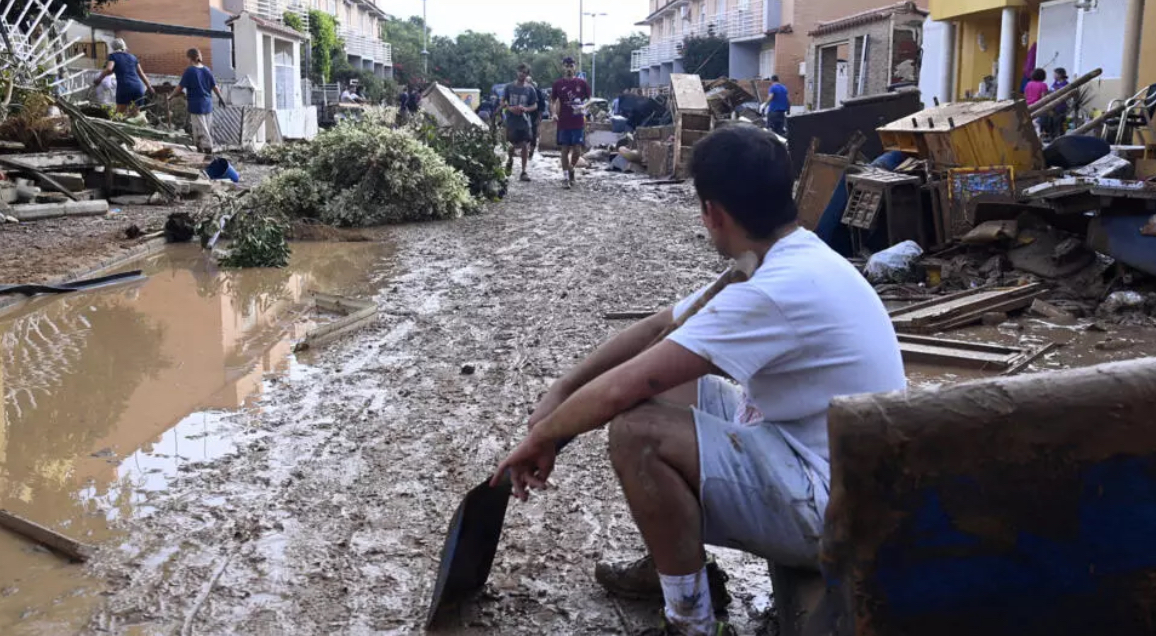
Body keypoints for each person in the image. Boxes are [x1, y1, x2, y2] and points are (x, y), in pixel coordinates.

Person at [491, 126, 906, 636]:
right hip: (825, 463)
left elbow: (628, 386)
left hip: (836, 510)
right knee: (662, 391)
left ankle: (691, 621)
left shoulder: (775, 289)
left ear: (713, 213)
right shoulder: (787, 257)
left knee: (637, 433)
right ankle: (674, 564)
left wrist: (545, 437)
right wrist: (558, 395)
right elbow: (660, 327)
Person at [167, 48, 226, 155]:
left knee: (200, 128)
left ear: (190, 58)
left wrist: (171, 96)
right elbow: (214, 86)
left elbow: (180, 87)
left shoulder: (190, 71)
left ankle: (208, 148)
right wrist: (220, 98)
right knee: (205, 127)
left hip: (196, 104)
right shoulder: (207, 70)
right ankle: (200, 148)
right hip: (208, 104)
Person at [552, 56, 591, 190]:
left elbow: (590, 100)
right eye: (566, 66)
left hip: (578, 120)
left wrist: (584, 107)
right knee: (564, 149)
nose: (569, 68)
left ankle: (571, 167)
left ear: (575, 67)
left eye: (571, 66)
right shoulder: (558, 84)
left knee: (577, 149)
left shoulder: (582, 83)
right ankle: (565, 177)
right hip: (563, 121)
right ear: (563, 67)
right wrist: (554, 113)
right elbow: (552, 101)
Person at [94, 38, 154, 115]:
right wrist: (149, 87)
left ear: (113, 47)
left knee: (119, 114)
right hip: (138, 87)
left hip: (125, 87)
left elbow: (109, 69)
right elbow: (141, 74)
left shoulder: (113, 56)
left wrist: (99, 79)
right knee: (136, 114)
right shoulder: (133, 57)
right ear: (124, 46)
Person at [503, 64, 538, 182]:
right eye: (520, 71)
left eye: (524, 72)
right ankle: (510, 160)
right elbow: (503, 101)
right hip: (511, 120)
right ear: (516, 72)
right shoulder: (509, 87)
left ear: (527, 74)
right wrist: (510, 108)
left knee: (524, 145)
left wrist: (526, 109)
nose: (521, 74)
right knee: (511, 145)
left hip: (524, 121)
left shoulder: (530, 89)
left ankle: (523, 171)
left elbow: (535, 105)